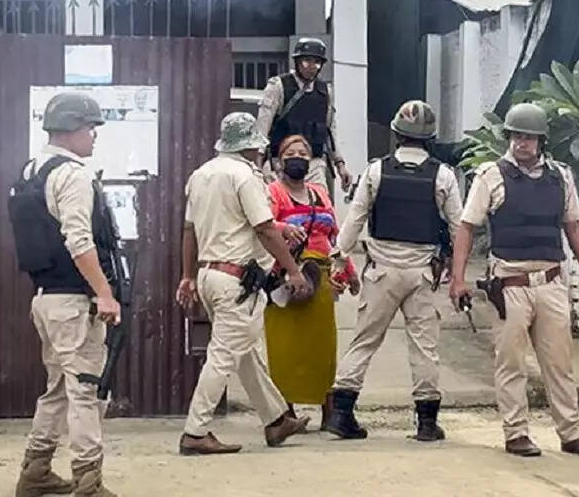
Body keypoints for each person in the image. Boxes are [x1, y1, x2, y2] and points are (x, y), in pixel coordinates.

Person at [450, 102, 579, 459]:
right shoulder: (491, 176)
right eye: (516, 136)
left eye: (529, 137)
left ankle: (571, 433)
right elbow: (467, 227)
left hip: (551, 281)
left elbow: (573, 227)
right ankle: (516, 432)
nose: (522, 143)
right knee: (511, 363)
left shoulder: (560, 176)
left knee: (559, 363)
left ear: (541, 141)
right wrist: (458, 279)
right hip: (510, 282)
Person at [175, 113, 312, 455]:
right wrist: (293, 270)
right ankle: (195, 431)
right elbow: (263, 227)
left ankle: (277, 419)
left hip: (209, 275)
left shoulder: (201, 174)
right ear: (251, 146)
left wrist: (187, 275)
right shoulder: (245, 176)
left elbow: (189, 230)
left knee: (244, 351)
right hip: (237, 280)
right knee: (223, 356)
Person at [325, 100, 462, 442]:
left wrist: (338, 258)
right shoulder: (443, 175)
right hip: (422, 273)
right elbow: (459, 228)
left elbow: (355, 219)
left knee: (364, 341)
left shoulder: (375, 171)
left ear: (397, 135)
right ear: (430, 139)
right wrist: (457, 272)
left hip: (381, 272)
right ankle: (427, 424)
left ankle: (341, 415)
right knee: (424, 348)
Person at [9, 92, 122, 497]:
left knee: (58, 388)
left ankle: (36, 471)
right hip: (73, 302)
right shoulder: (73, 175)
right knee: (85, 389)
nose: (94, 135)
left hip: (46, 298)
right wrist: (105, 293)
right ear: (71, 128)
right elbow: (79, 241)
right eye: (90, 127)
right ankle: (88, 481)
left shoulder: (30, 171)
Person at [263, 134, 352, 428]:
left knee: (322, 348)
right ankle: (286, 412)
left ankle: (328, 412)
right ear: (279, 161)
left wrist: (348, 271)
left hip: (320, 276)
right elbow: (263, 226)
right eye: (291, 153)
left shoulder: (320, 193)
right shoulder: (273, 193)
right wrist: (283, 227)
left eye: (303, 153)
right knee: (284, 348)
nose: (297, 158)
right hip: (285, 279)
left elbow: (335, 236)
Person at [255, 38, 352, 191]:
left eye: (316, 62)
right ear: (298, 62)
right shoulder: (278, 86)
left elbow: (329, 131)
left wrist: (340, 164)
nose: (311, 67)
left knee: (319, 201)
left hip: (313, 163)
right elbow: (262, 127)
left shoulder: (325, 91)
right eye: (307, 61)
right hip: (280, 162)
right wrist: (258, 163)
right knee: (277, 201)